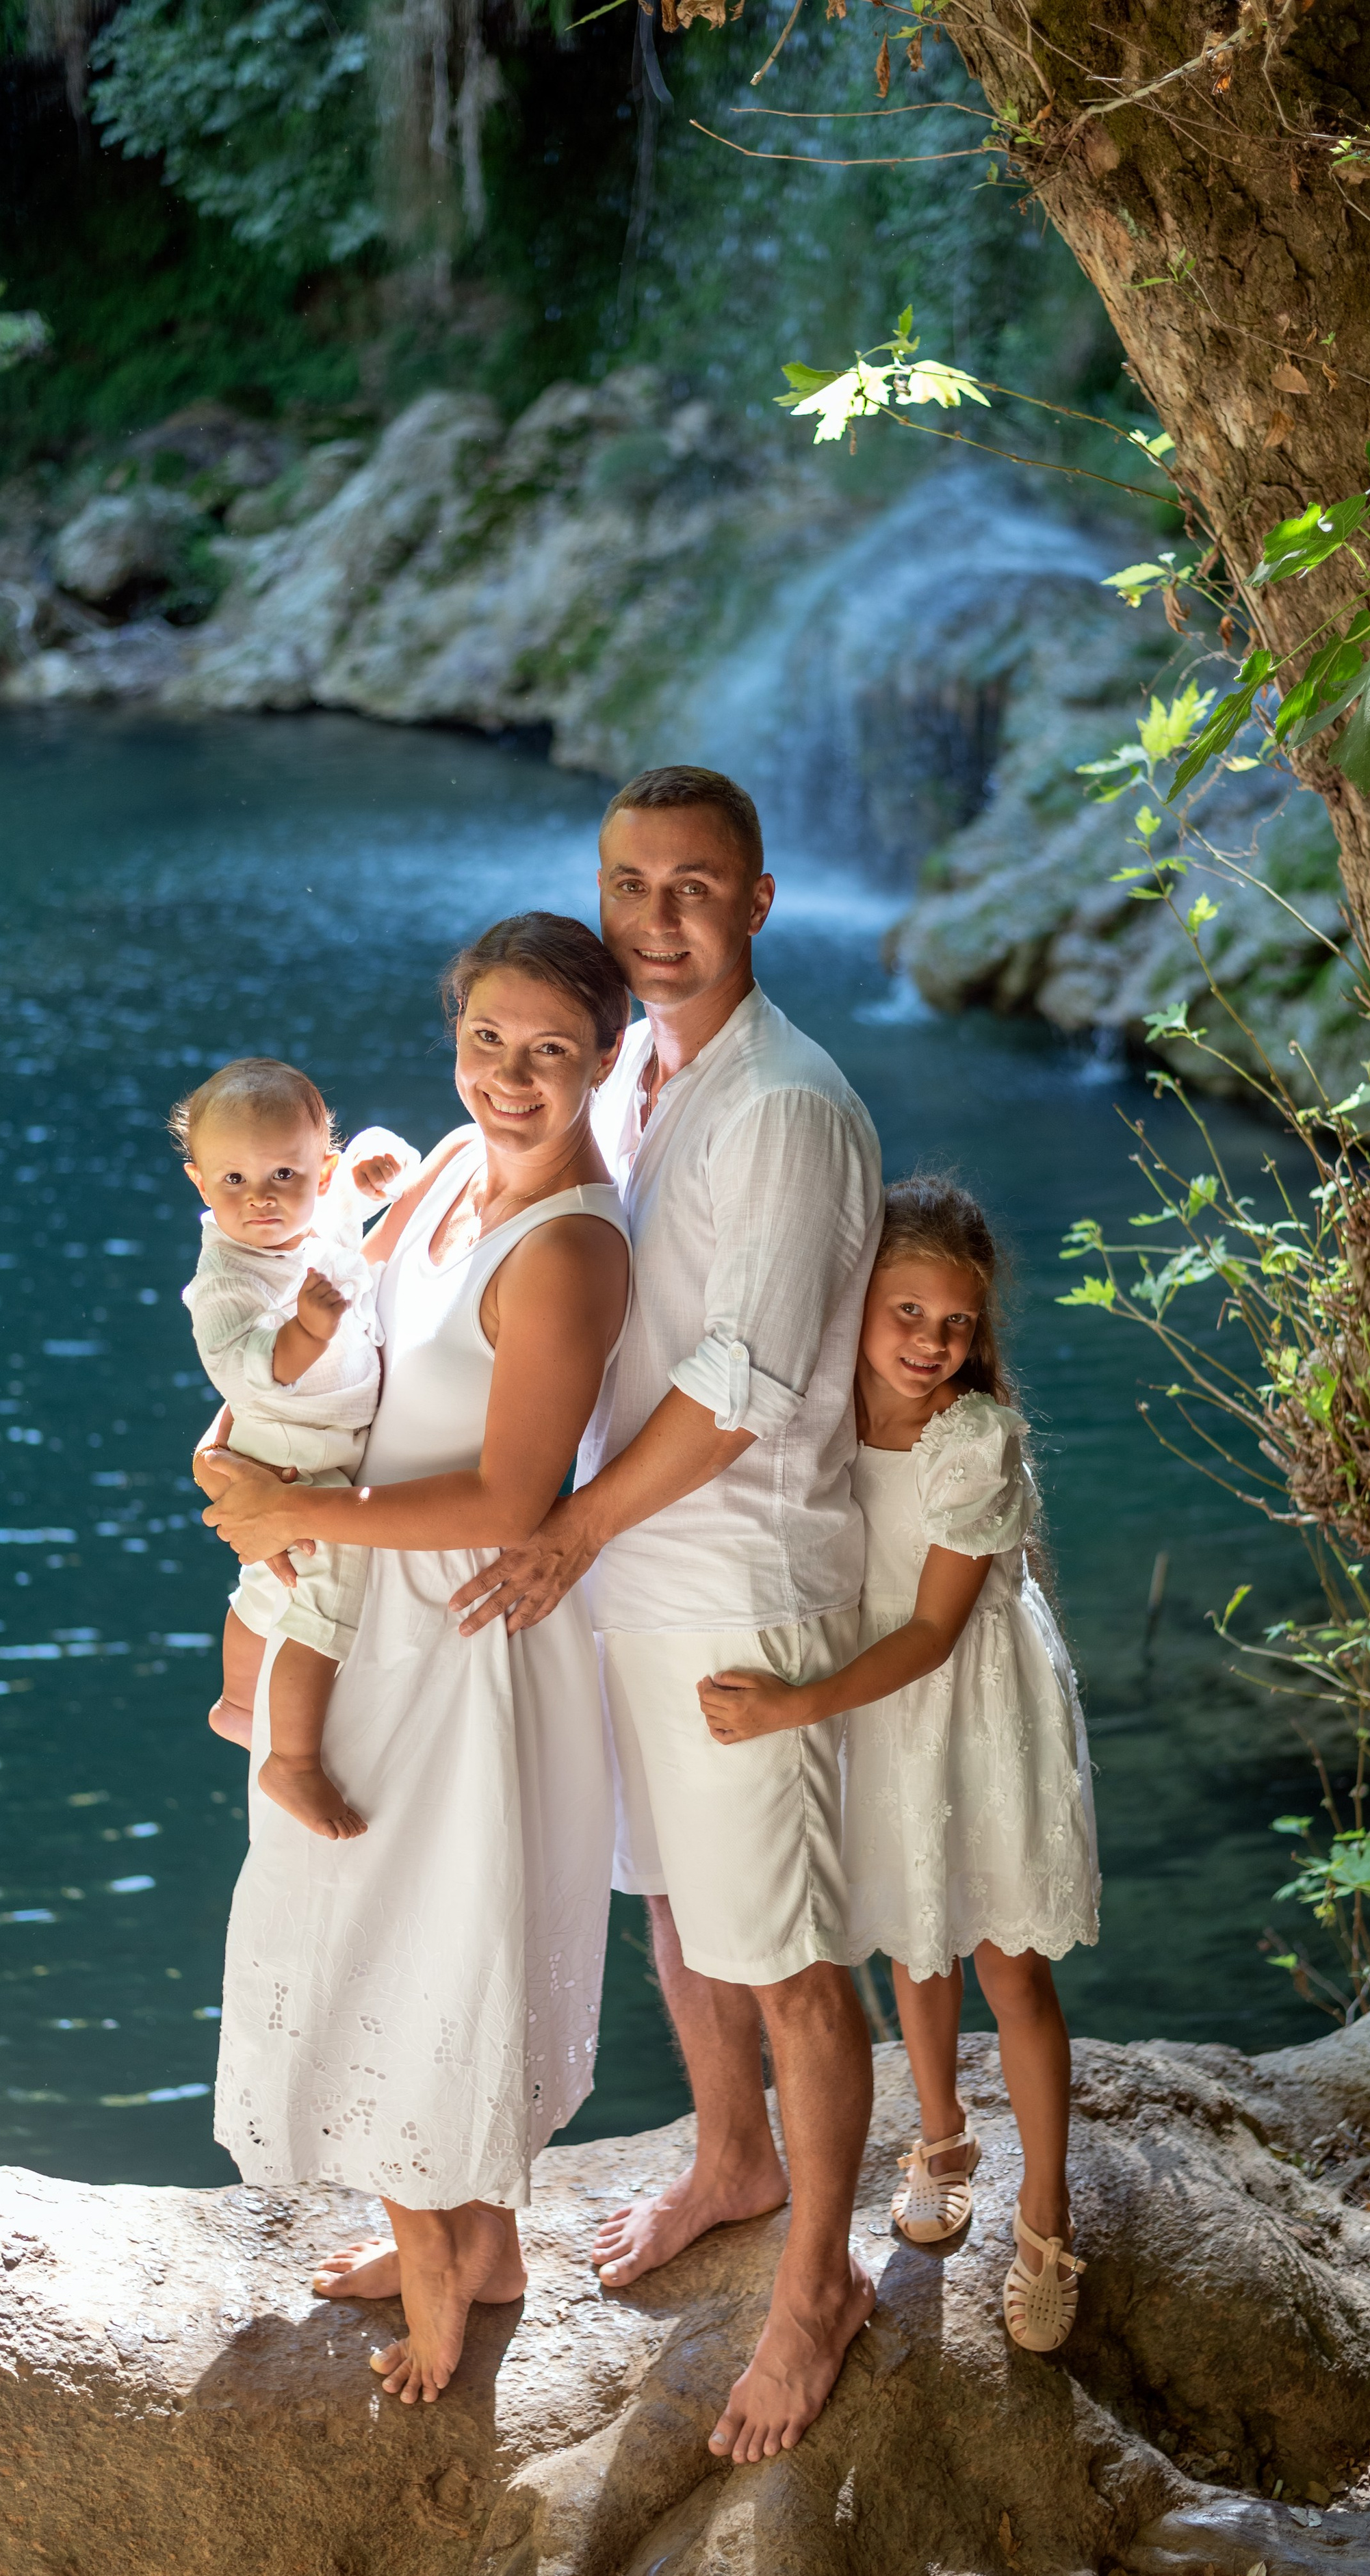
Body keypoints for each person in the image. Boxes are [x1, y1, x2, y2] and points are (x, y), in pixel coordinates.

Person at [449, 765, 884, 2464]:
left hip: (737, 1578)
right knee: (673, 1905)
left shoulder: (780, 1102)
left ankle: (817, 2284)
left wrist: (558, 1527)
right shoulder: (637, 1064)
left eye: (695, 886)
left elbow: (744, 1384)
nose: (656, 918)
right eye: (629, 884)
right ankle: (730, 2156)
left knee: (781, 1948)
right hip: (638, 1569)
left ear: (758, 904)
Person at [194, 913, 631, 2405]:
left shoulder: (568, 1247)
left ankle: (442, 2277)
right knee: (408, 1927)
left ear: (606, 1058)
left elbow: (519, 1498)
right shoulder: (447, 1168)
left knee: (395, 1933)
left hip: (458, 1632)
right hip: (373, 1595)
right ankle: (480, 2248)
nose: (508, 1077)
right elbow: (329, 1338)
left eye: (549, 1052)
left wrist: (289, 1510)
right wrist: (242, 1442)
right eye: (485, 1041)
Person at [699, 1175, 1100, 2352]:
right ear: (858, 1306)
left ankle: (1045, 2205)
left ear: (981, 1336)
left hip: (966, 1702)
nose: (930, 1343)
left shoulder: (973, 1440)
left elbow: (929, 1635)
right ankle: (941, 2132)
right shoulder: (819, 1415)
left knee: (1006, 1960)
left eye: (956, 1323)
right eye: (907, 1313)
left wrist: (792, 1707)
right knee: (916, 1939)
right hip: (880, 1704)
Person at [175, 1057, 415, 1840]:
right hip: (292, 1449)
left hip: (309, 1444)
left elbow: (344, 1217)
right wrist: (308, 1330)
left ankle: (239, 1704)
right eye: (235, 1180)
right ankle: (295, 1759)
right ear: (201, 1184)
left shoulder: (311, 1222)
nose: (263, 1198)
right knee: (329, 1589)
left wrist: (378, 1172)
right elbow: (243, 1364)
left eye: (284, 1172)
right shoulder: (227, 1279)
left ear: (323, 1168)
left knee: (266, 1580)